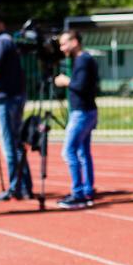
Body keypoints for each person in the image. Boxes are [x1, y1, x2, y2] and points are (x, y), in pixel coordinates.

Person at [0, 11, 33, 201]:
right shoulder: (8, 41)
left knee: (10, 145)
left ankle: (15, 187)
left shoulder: (1, 41)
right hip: (15, 95)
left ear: (0, 24)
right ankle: (24, 186)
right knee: (17, 143)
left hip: (7, 97)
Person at [54, 30, 99, 209]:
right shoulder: (86, 59)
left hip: (81, 112)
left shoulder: (82, 60)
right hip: (88, 111)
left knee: (69, 152)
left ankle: (79, 193)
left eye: (64, 44)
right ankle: (86, 189)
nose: (62, 48)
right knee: (82, 152)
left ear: (74, 42)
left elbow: (80, 85)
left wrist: (65, 81)